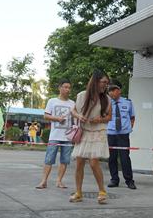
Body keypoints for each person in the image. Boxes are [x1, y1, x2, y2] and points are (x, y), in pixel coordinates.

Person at [69, 70, 111, 205]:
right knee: (79, 163)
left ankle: (102, 191)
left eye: (107, 83)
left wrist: (100, 119)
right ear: (95, 81)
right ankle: (78, 193)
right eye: (104, 82)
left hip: (98, 132)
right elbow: (73, 111)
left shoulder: (107, 98)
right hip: (84, 131)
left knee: (93, 163)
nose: (106, 85)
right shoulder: (81, 95)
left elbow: (109, 117)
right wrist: (79, 116)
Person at [35, 79, 75, 190]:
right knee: (49, 159)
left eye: (69, 87)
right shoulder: (52, 101)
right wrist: (57, 118)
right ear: (60, 88)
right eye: (65, 87)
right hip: (54, 136)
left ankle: (59, 181)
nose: (67, 89)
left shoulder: (72, 103)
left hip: (68, 137)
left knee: (65, 160)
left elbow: (75, 119)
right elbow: (46, 116)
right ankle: (43, 181)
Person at [107, 80, 136, 190]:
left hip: (123, 135)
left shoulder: (128, 102)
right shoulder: (106, 103)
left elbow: (132, 117)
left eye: (112, 90)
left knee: (125, 158)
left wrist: (129, 128)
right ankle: (114, 179)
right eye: (109, 91)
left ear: (118, 91)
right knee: (112, 158)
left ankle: (129, 181)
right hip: (111, 134)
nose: (110, 93)